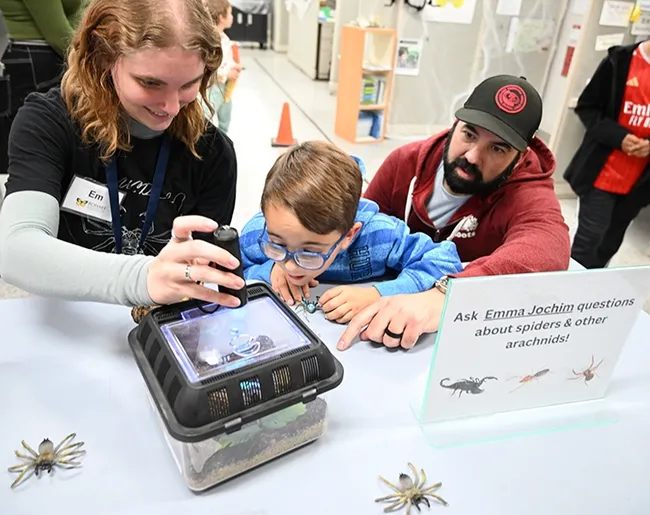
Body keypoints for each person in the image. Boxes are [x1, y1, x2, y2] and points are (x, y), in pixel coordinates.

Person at [0, 0, 245, 309]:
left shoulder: (213, 154)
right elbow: (16, 251)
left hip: (160, 321)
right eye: (150, 83)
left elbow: (199, 272)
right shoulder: (48, 123)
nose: (170, 107)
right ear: (104, 58)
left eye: (189, 84)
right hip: (67, 315)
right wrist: (142, 279)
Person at [337, 74, 571, 351]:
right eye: (469, 134)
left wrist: (448, 294)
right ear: (454, 125)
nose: (472, 156)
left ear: (519, 158)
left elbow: (547, 248)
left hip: (455, 340)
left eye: (497, 148)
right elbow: (358, 230)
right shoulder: (404, 163)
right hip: (377, 324)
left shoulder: (526, 192)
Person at [239, 141, 463, 324]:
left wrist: (378, 294)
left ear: (348, 235)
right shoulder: (259, 233)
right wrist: (267, 271)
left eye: (310, 252)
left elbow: (444, 261)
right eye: (278, 246)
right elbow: (229, 267)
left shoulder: (381, 235)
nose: (290, 265)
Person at [564, 41, 650, 269]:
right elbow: (587, 107)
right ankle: (565, 296)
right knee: (589, 240)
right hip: (601, 173)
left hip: (639, 182)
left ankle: (593, 297)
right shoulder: (619, 61)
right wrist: (618, 137)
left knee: (610, 243)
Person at [0, 0, 86, 173]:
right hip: (33, 59)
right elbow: (58, 33)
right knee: (30, 145)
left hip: (32, 58)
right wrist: (92, 64)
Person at [204, 0, 240, 133]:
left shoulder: (224, 38)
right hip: (212, 87)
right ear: (221, 18)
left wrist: (234, 67)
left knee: (226, 116)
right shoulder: (212, 41)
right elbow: (209, 67)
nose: (233, 17)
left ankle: (223, 140)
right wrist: (226, 74)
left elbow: (225, 60)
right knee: (207, 115)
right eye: (230, 14)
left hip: (225, 87)